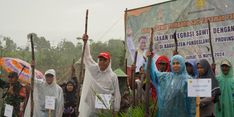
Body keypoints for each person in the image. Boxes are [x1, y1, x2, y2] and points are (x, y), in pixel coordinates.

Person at [79, 34, 121, 117]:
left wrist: (116, 110)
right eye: (100, 60)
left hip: (107, 110)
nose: (102, 62)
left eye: (104, 60)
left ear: (109, 61)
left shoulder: (113, 76)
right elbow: (87, 57)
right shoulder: (94, 70)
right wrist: (85, 43)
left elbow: (116, 94)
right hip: (92, 109)